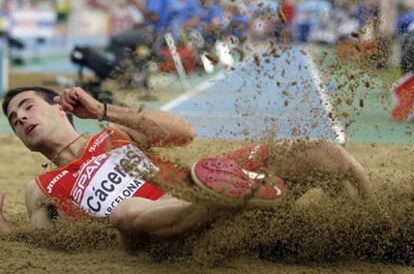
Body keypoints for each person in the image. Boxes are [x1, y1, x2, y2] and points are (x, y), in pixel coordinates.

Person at [0, 86, 371, 241]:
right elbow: (41, 242)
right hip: (151, 235)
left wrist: (103, 110)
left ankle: (377, 232)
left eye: (27, 106)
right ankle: (235, 194)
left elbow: (184, 133)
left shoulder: (113, 132)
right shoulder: (40, 188)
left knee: (321, 152)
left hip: (198, 188)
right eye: (14, 121)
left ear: (60, 107)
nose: (21, 119)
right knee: (125, 212)